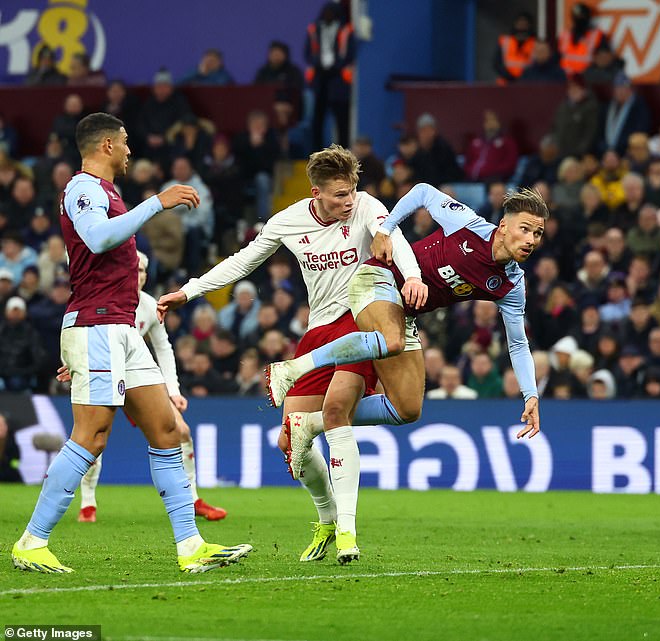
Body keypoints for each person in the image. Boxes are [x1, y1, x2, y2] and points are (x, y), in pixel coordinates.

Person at [157, 145, 422, 565]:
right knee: (290, 439)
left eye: (352, 190)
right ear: (316, 192)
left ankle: (349, 533)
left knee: (336, 410)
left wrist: (411, 277)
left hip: (361, 319)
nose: (348, 201)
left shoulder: (367, 206)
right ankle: (327, 519)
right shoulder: (288, 221)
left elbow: (396, 238)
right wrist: (189, 291)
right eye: (339, 195)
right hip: (318, 330)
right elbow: (243, 262)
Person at [11, 113, 250, 574]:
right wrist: (156, 203)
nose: (129, 150)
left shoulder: (109, 192)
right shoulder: (83, 189)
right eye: (123, 142)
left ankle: (190, 546)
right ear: (104, 145)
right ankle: (32, 541)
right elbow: (99, 240)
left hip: (122, 327)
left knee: (166, 430)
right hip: (96, 325)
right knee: (93, 435)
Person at [265, 182, 546, 490]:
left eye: (538, 234)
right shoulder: (468, 224)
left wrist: (530, 394)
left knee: (407, 409)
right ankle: (292, 369)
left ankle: (310, 423)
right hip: (380, 277)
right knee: (392, 341)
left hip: (404, 311)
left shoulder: (511, 284)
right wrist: (385, 228)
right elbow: (423, 192)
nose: (531, 240)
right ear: (504, 226)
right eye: (525, 229)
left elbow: (518, 344)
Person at [55, 252, 227, 522]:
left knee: (181, 431)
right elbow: (75, 327)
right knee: (93, 440)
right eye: (134, 269)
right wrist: (73, 361)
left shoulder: (148, 305)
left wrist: (173, 390)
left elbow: (163, 347)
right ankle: (87, 503)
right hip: (103, 374)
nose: (139, 275)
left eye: (143, 270)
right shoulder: (100, 300)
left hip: (138, 377)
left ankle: (192, 498)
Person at [305, 2, 355, 148]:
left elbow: (350, 53)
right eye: (326, 12)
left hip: (338, 79)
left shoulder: (346, 30)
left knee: (341, 118)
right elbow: (307, 52)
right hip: (320, 79)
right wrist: (317, 63)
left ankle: (342, 152)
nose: (328, 16)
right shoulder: (314, 29)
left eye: (331, 13)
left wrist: (337, 66)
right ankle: (317, 152)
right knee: (317, 119)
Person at [558, 2, 608, 77]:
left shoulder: (597, 35)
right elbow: (556, 58)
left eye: (582, 16)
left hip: (587, 80)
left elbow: (604, 59)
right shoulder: (564, 35)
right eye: (576, 17)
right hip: (565, 80)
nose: (579, 19)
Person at [494, 11, 536, 85]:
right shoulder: (505, 41)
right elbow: (497, 63)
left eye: (525, 23)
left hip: (528, 83)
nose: (522, 26)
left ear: (529, 25)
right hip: (505, 83)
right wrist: (510, 77)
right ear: (515, 24)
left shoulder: (535, 43)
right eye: (520, 23)